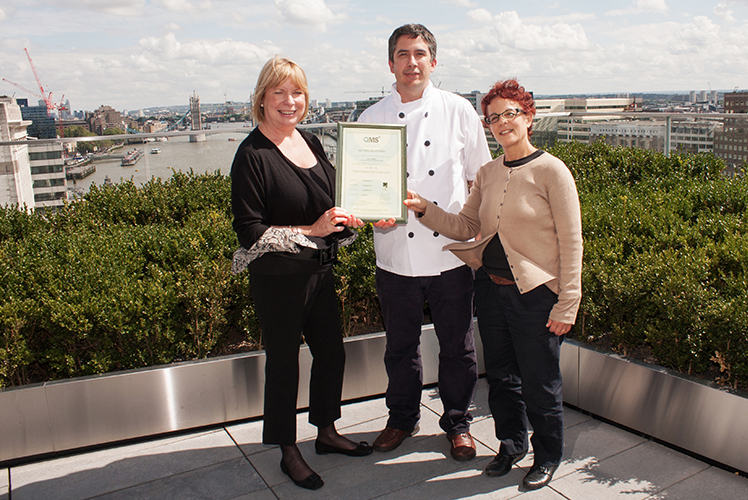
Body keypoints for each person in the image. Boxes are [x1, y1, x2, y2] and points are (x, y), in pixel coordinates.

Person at [404, 79, 583, 490]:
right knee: (501, 377)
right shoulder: (487, 172)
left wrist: (566, 303)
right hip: (491, 288)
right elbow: (466, 226)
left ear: (529, 116)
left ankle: (548, 454)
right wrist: (424, 209)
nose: (502, 122)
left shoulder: (552, 171)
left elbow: (572, 242)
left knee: (540, 380)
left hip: (537, 295)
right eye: (494, 117)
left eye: (511, 113)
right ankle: (511, 443)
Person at [230, 55, 371, 491]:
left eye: (297, 93)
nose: (289, 101)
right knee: (284, 364)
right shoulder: (251, 155)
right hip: (278, 279)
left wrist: (358, 214)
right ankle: (287, 450)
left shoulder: (309, 141)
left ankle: (326, 432)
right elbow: (249, 231)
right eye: (279, 92)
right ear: (262, 99)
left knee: (332, 353)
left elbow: (333, 198)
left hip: (318, 272)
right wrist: (311, 230)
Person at [357, 24, 491, 460]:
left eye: (419, 54)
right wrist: (371, 213)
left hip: (451, 252)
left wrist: (476, 234)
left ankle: (458, 422)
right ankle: (401, 419)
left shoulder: (459, 110)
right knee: (399, 346)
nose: (411, 62)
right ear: (390, 63)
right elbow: (361, 188)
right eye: (402, 54)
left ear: (433, 61)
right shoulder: (370, 118)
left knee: (458, 345)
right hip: (395, 253)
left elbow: (480, 179)